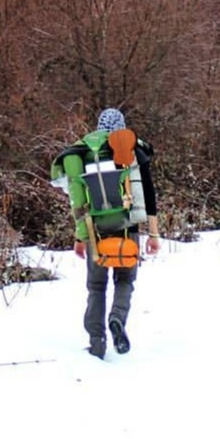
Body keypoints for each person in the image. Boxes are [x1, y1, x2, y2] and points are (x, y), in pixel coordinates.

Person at [64, 107, 161, 359]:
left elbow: (77, 197)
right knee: (125, 280)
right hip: (127, 226)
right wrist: (153, 234)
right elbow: (147, 194)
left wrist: (79, 237)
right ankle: (117, 317)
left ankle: (97, 343)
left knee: (96, 286)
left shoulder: (85, 152)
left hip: (94, 228)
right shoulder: (131, 150)